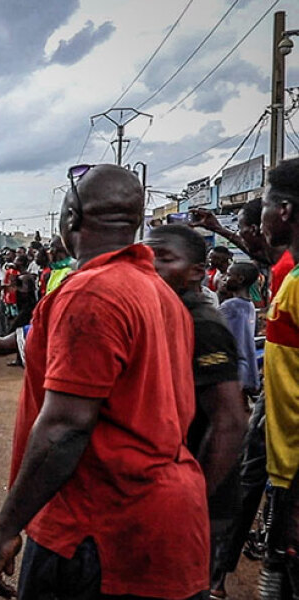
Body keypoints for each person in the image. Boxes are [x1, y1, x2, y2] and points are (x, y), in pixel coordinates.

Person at [0, 165, 209, 599]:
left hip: (98, 530)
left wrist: (6, 527)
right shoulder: (159, 293)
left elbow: (66, 427)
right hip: (166, 524)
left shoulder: (92, 293)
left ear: (71, 218)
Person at [146, 224, 247, 593]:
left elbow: (231, 423)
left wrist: (194, 499)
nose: (152, 266)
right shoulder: (164, 311)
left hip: (201, 500)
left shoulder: (201, 324)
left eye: (165, 258)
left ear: (196, 273)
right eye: (148, 256)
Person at [257, 157, 299, 591]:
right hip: (285, 469)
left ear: (284, 211)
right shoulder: (291, 281)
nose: (261, 214)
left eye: (266, 204)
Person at [219, 261, 261, 396]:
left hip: (233, 370)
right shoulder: (249, 306)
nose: (224, 279)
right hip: (247, 369)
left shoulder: (230, 306)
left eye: (229, 275)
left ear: (240, 279)